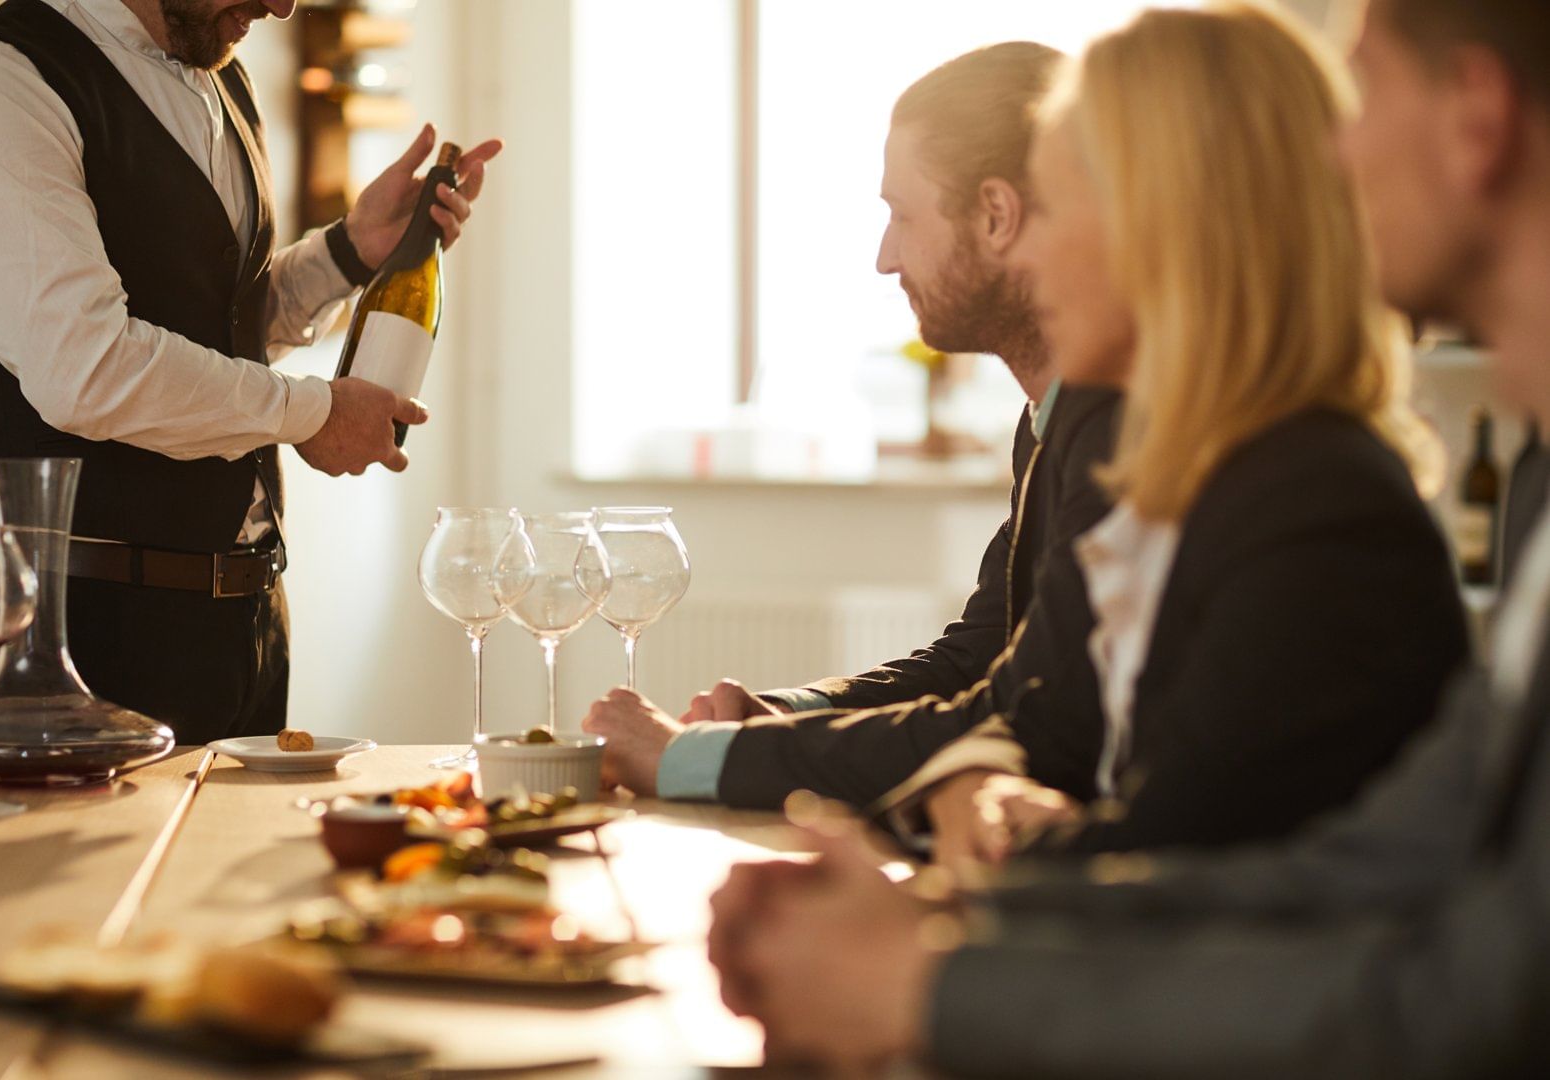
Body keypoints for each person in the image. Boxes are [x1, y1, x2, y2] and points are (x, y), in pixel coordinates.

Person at [707, 1, 1550, 1073]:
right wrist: (960, 907)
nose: (1329, 152)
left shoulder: (1316, 504)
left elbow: (1457, 998)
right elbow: (1350, 870)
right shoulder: (1522, 491)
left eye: (1363, 90)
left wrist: (926, 971)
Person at [587, 0, 1467, 869]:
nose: (1031, 251)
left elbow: (1173, 869)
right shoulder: (1206, 466)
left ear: (1166, 229)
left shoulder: (1304, 504)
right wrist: (983, 797)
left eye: (1058, 206)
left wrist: (930, 924)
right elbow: (1048, 715)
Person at [0, 0, 499, 742]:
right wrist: (315, 412)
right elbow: (87, 367)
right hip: (79, 638)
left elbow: (214, 332)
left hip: (248, 628)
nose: (282, 6)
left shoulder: (223, 85)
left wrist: (348, 251)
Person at [586, 42, 1123, 799]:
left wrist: (692, 763)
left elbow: (1023, 718)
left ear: (996, 215)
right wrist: (779, 717)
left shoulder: (1118, 426)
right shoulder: (1047, 421)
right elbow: (978, 657)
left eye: (902, 214)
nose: (883, 257)